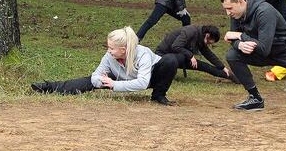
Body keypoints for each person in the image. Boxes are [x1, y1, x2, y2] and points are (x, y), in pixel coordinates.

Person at [30, 26, 179, 105]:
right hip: (122, 78)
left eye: (112, 48)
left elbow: (142, 82)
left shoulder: (143, 54)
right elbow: (95, 75)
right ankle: (48, 87)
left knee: (170, 60)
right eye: (108, 47)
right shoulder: (110, 56)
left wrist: (114, 85)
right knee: (87, 81)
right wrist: (101, 81)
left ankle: (158, 96)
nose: (108, 51)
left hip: (151, 78)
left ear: (123, 49)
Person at [155, 24, 238, 83]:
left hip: (179, 56)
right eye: (209, 42)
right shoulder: (190, 31)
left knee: (206, 66)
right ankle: (165, 74)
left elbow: (209, 54)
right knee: (184, 58)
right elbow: (176, 46)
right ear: (207, 35)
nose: (209, 44)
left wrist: (223, 67)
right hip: (163, 57)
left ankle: (236, 78)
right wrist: (190, 56)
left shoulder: (201, 36)